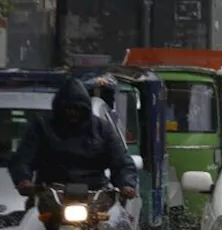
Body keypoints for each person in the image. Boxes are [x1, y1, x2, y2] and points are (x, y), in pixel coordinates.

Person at [8, 77, 139, 199]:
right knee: (33, 220)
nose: (73, 114)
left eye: (77, 109)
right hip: (50, 194)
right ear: (59, 109)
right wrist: (23, 180)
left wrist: (126, 184)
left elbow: (121, 160)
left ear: (85, 109)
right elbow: (23, 157)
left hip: (95, 195)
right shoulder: (42, 126)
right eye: (68, 109)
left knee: (114, 220)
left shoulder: (102, 128)